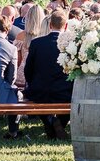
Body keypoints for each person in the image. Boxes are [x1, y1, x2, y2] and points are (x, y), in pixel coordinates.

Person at [22, 10, 71, 139]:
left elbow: (28, 69)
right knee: (73, 98)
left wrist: (32, 83)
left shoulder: (37, 43)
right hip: (64, 91)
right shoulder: (71, 45)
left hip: (40, 90)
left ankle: (49, 122)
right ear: (65, 26)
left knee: (37, 97)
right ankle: (59, 123)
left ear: (49, 25)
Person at [14, 5, 46, 89]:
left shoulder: (21, 35)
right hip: (40, 74)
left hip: (22, 75)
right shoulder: (45, 36)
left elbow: (18, 59)